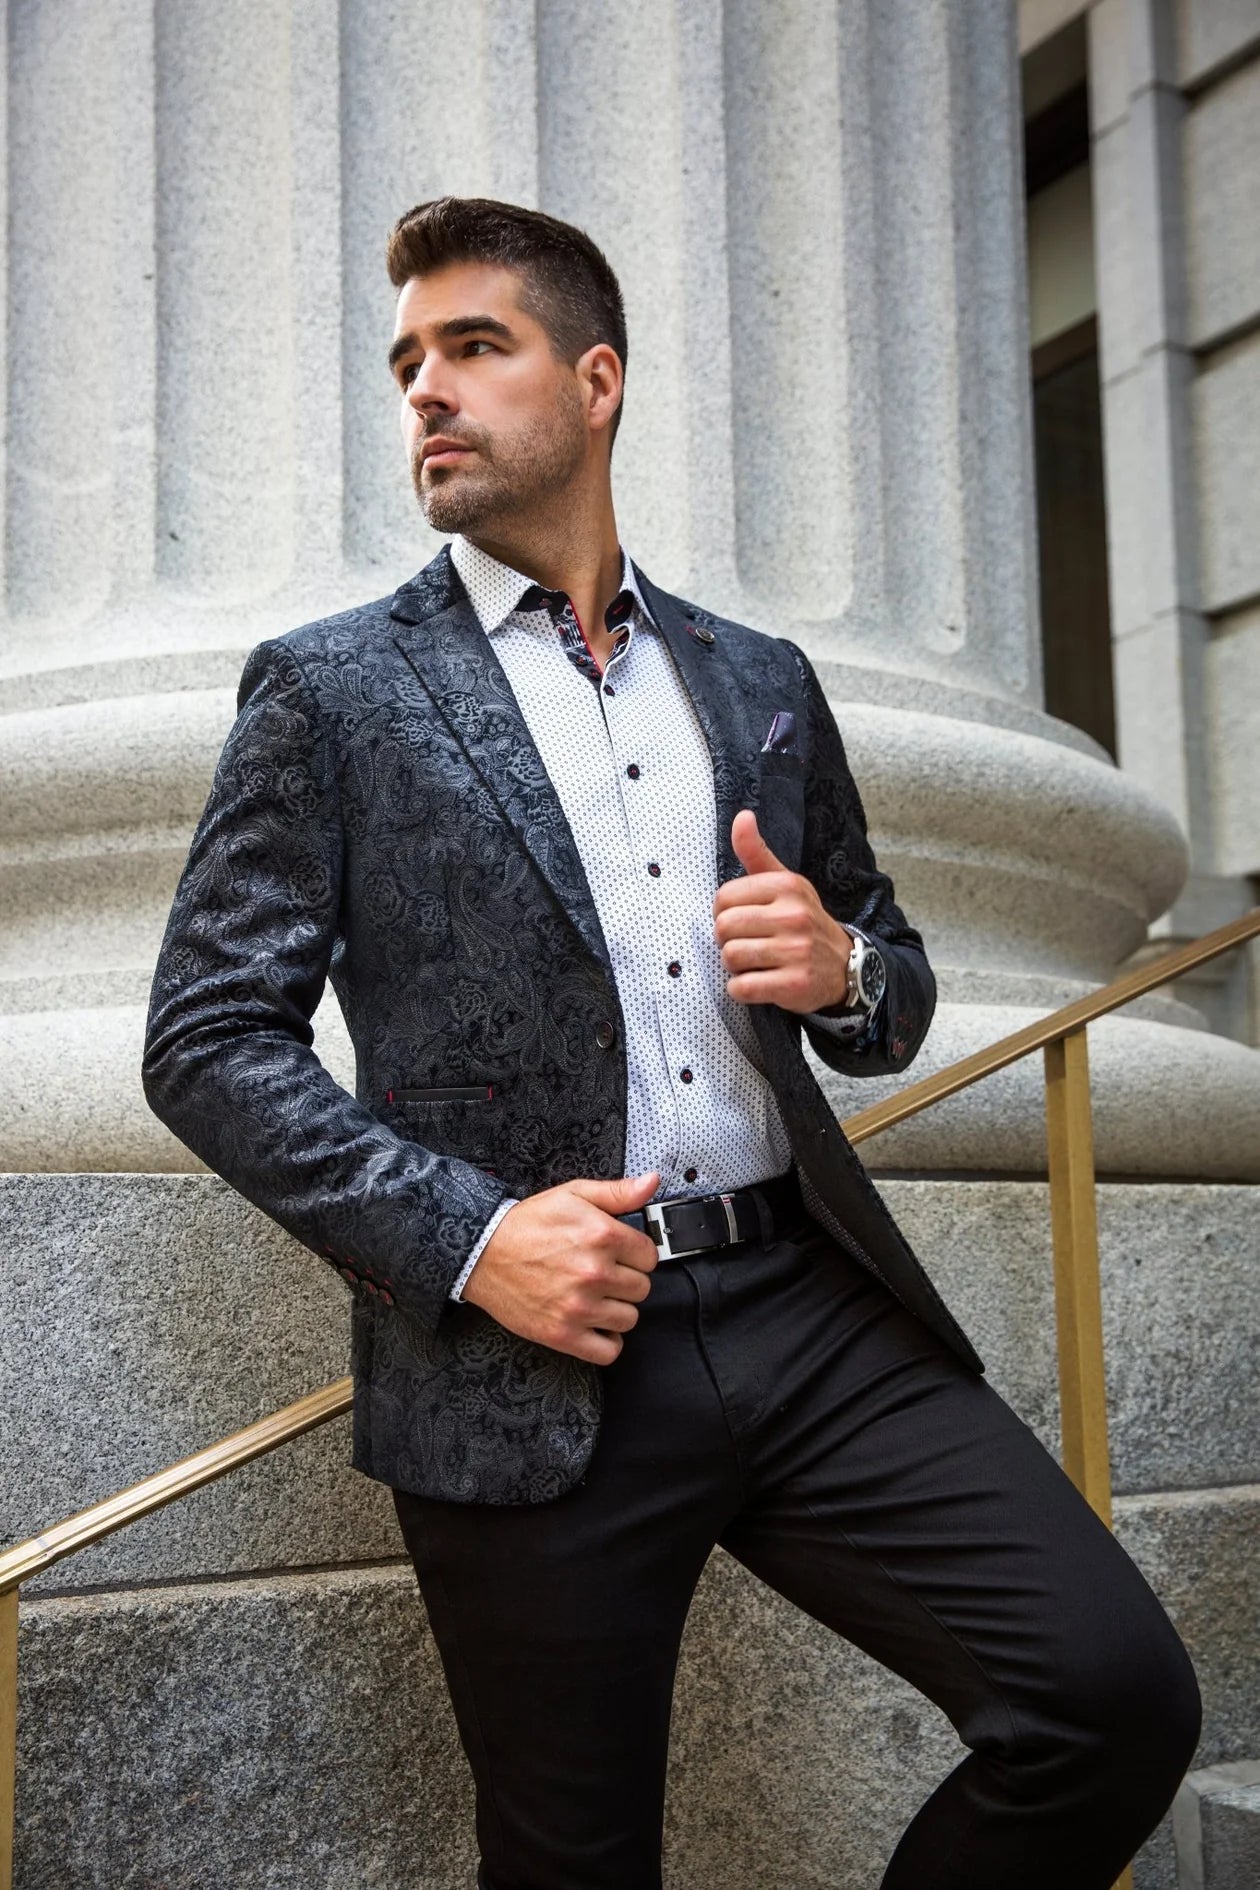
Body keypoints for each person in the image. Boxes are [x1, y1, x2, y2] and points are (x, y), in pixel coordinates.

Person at [142, 196, 1200, 1890]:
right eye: (408, 360)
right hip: (533, 1355)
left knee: (1112, 1699)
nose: (426, 387)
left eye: (475, 346)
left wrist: (846, 961)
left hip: (808, 1310)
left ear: (598, 378)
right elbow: (205, 1038)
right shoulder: (333, 692)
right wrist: (472, 1241)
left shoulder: (757, 675)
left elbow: (892, 978)